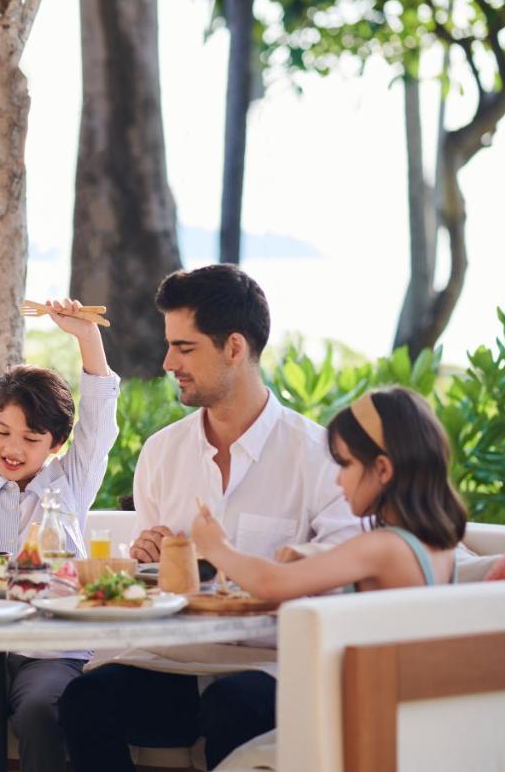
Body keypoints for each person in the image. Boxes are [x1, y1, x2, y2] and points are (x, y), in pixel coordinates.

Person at [58, 265, 359, 772]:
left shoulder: (320, 458)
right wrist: (147, 562)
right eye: (170, 345)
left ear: (235, 348)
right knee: (85, 699)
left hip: (273, 666)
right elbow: (156, 587)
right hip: (176, 659)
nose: (168, 361)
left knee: (234, 706)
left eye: (185, 347)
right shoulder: (162, 454)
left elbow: (340, 589)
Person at [0, 298, 119, 772]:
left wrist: (85, 337)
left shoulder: (71, 485)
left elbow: (98, 417)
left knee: (40, 710)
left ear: (56, 444)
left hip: (51, 653)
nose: (12, 449)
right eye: (2, 432)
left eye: (31, 439)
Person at [192, 386, 467, 597]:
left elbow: (271, 583)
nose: (338, 480)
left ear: (382, 469)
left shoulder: (383, 547)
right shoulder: (440, 548)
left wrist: (216, 547)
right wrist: (316, 555)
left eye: (345, 465)